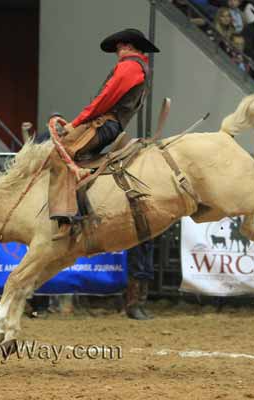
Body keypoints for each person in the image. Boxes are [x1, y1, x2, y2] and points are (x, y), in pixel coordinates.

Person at [48, 28, 158, 240]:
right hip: (111, 125)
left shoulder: (129, 67)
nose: (118, 51)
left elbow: (104, 99)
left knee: (59, 154)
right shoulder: (139, 67)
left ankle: (66, 218)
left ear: (127, 46)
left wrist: (76, 123)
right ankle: (82, 208)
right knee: (75, 159)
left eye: (119, 47)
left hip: (103, 124)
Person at [125, 241, 155, 320]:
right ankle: (133, 306)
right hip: (136, 235)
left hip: (148, 235)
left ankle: (140, 305)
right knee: (137, 268)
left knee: (147, 269)